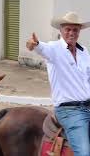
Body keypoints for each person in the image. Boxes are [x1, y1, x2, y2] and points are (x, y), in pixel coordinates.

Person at [26, 11, 90, 156]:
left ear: (79, 32)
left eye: (75, 29)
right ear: (61, 30)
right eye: (68, 29)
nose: (71, 33)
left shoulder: (84, 51)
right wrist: (33, 44)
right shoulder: (54, 49)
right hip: (70, 111)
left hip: (88, 106)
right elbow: (39, 47)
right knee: (84, 153)